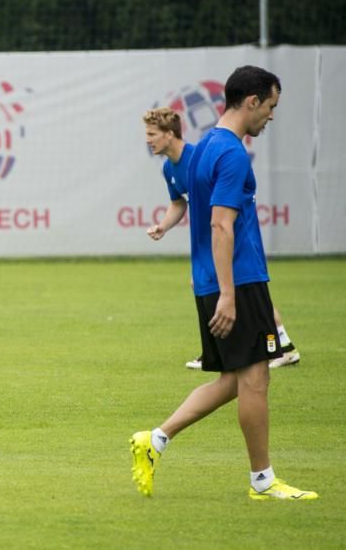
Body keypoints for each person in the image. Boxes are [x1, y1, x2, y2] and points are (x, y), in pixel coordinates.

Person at [130, 66, 317, 501]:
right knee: (255, 381)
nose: (271, 115)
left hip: (209, 281)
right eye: (270, 106)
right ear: (251, 101)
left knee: (236, 380)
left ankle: (155, 440)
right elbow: (220, 226)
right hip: (239, 280)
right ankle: (263, 481)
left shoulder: (204, 148)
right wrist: (230, 295)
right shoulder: (231, 153)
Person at [143, 107, 301, 370]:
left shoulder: (198, 156)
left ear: (170, 134)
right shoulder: (169, 168)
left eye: (152, 133)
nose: (148, 139)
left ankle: (282, 344)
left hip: (229, 238)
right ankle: (216, 351)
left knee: (247, 291)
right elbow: (179, 203)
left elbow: (222, 208)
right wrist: (163, 226)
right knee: (206, 287)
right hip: (209, 242)